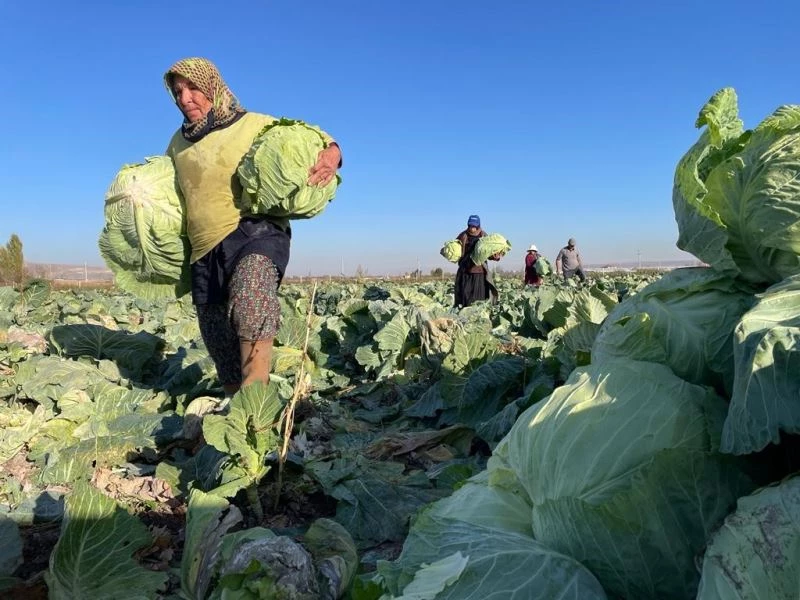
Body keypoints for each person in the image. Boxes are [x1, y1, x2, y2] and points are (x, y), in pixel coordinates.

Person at [164, 57, 342, 396]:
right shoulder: (177, 143)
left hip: (254, 232)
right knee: (216, 334)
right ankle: (237, 406)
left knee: (252, 298)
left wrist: (332, 153)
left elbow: (314, 138)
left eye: (194, 89)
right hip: (204, 247)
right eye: (178, 92)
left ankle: (257, 402)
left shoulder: (253, 124)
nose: (186, 99)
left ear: (213, 88)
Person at [454, 215, 498, 307]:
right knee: (465, 296)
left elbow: (490, 253)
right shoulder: (463, 235)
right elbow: (455, 249)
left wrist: (495, 256)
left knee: (479, 297)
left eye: (474, 226)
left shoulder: (484, 236)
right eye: (470, 226)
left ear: (478, 226)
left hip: (479, 271)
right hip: (465, 271)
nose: (472, 229)